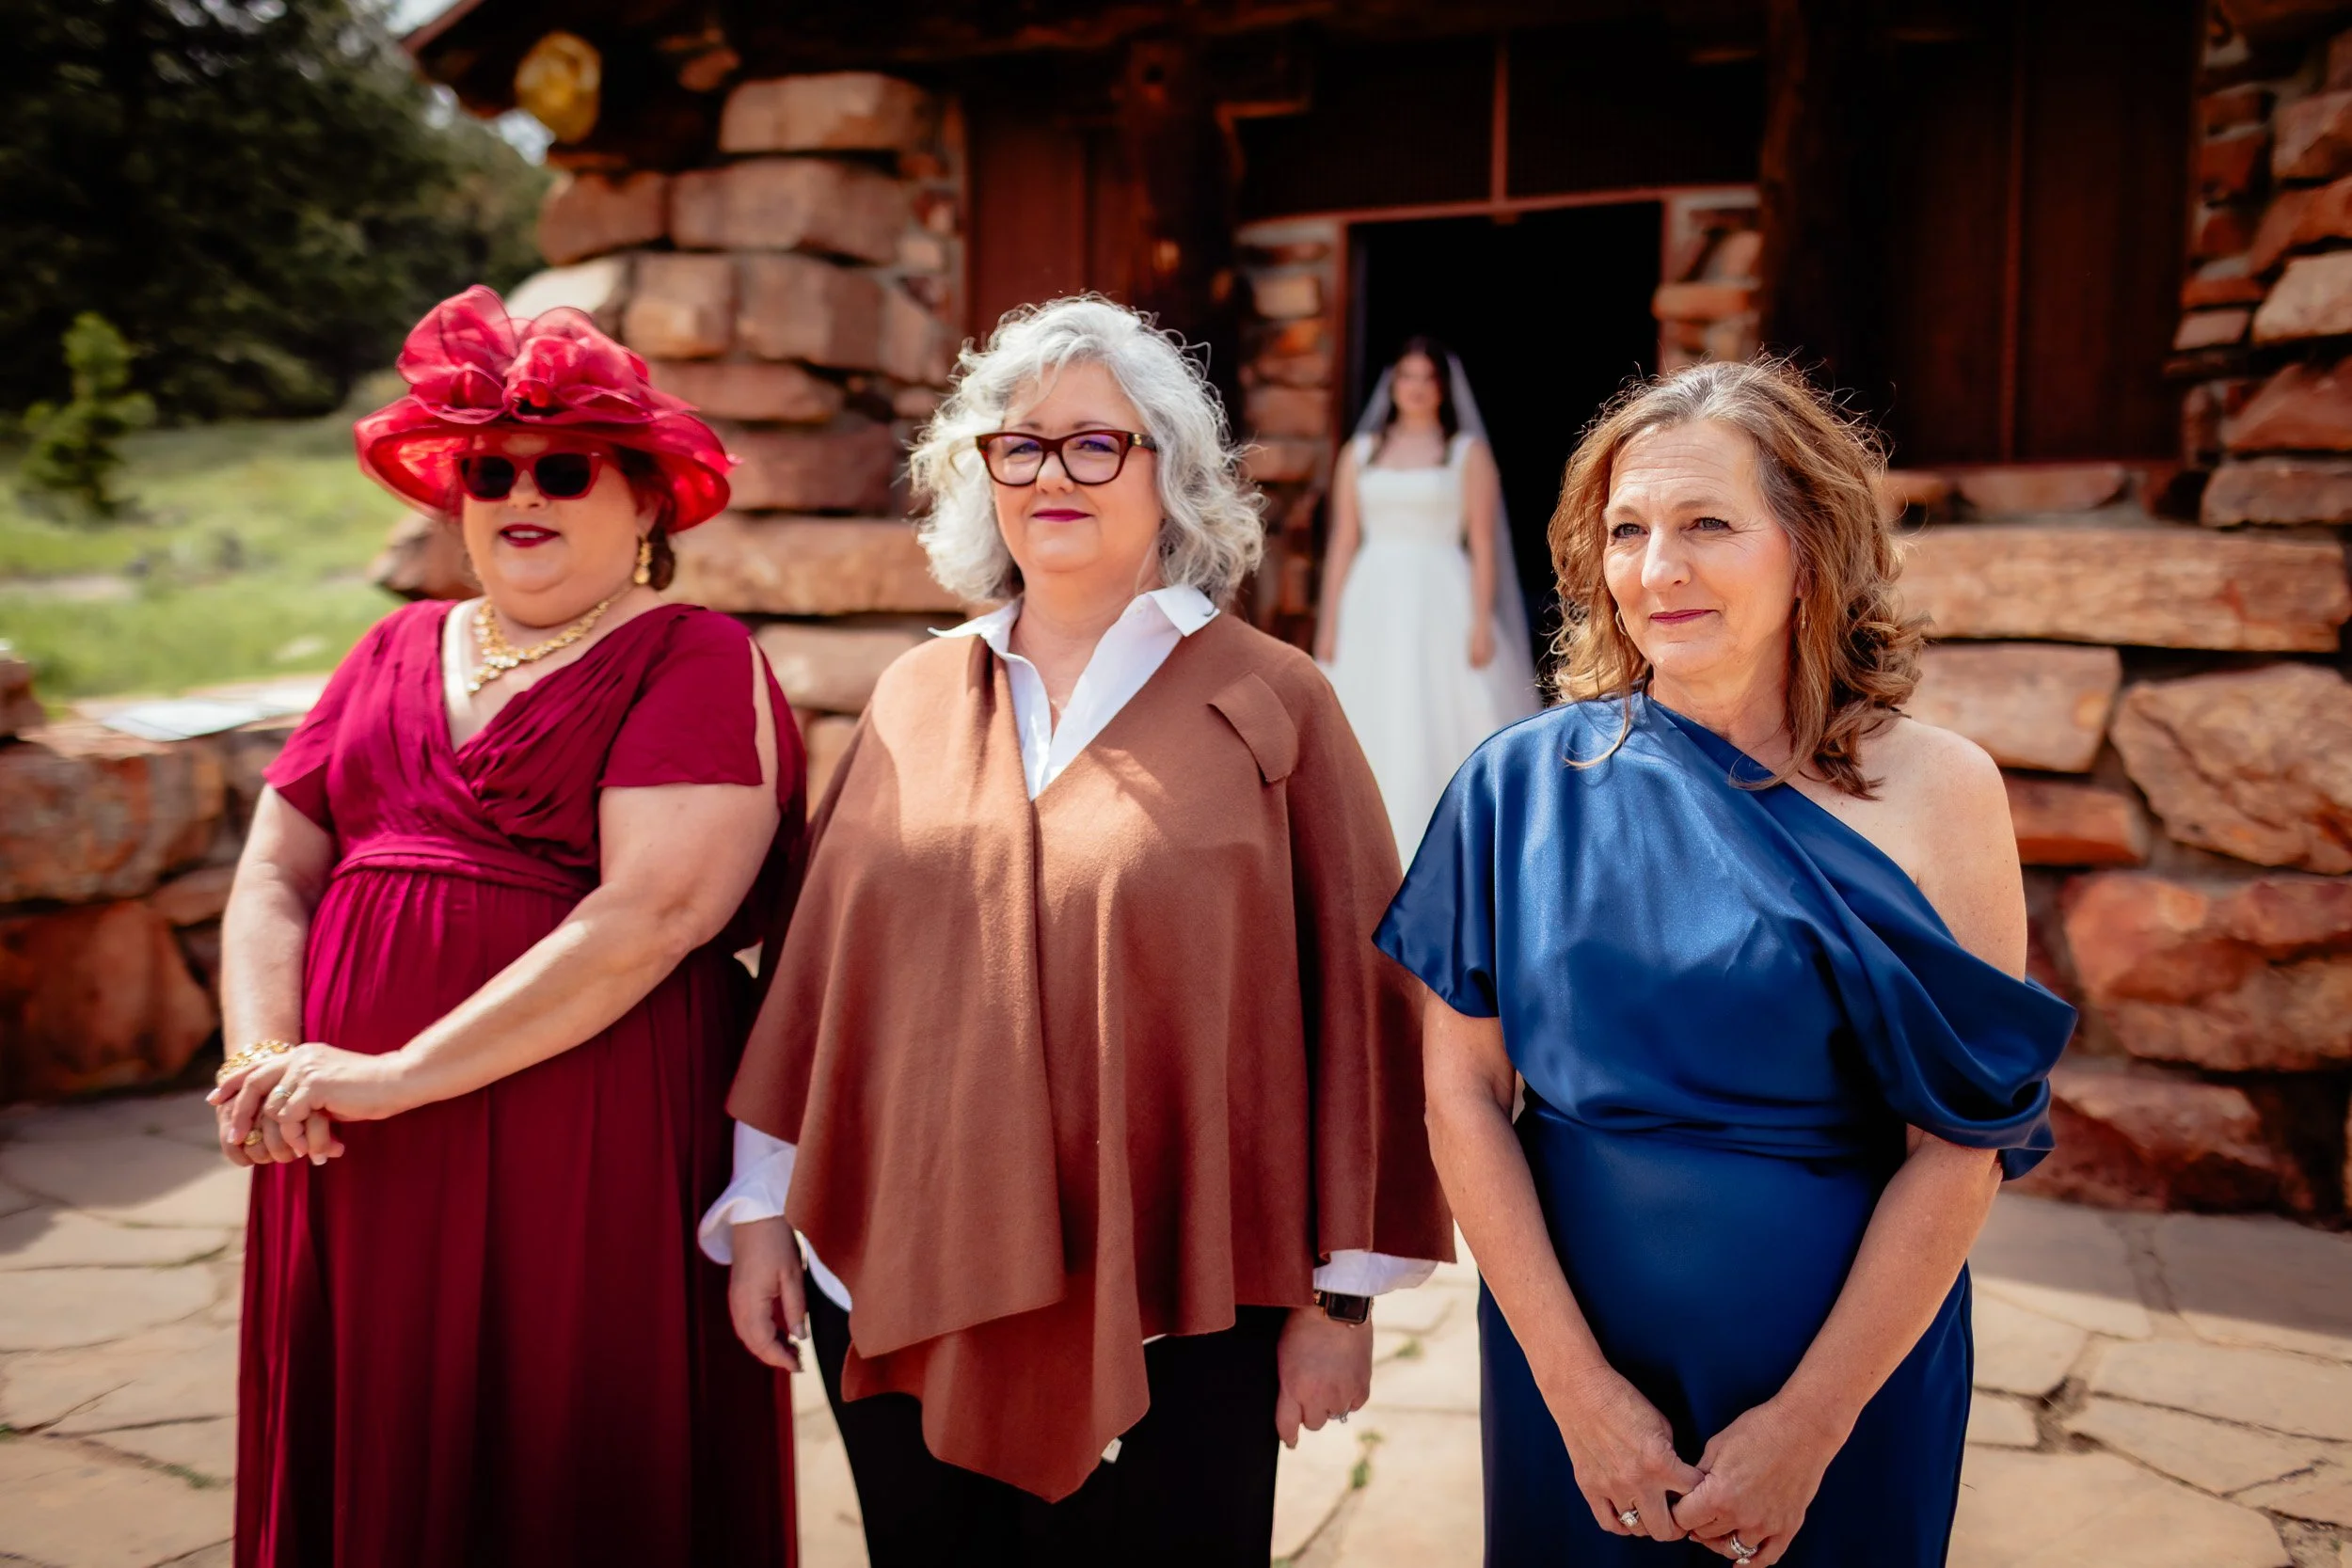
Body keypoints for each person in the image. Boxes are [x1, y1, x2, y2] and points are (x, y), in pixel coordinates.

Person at [705, 295, 1454, 1567]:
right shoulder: (911, 696)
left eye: (1097, 442)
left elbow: (1366, 1004)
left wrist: (1343, 1301)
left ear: (1171, 472)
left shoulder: (1276, 700)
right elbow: (820, 983)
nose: (1055, 472)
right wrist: (765, 1211)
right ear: (979, 473)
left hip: (1194, 1282)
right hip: (901, 1265)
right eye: (1021, 444)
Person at [1380, 358, 2074, 1566]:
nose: (1660, 569)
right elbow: (1461, 1093)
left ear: (1810, 539)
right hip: (1573, 1367)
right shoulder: (1514, 786)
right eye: (1628, 530)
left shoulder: (1940, 790)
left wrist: (1810, 1423)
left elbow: (1962, 1143)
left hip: (1846, 1375)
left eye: (1708, 524)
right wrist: (1575, 1388)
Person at [208, 285, 804, 1568]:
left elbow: (657, 913)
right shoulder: (385, 648)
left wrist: (398, 1072)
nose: (520, 490)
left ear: (646, 498)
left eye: (564, 466)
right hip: (349, 1145)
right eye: (489, 467)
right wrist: (266, 1064)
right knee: (371, 1427)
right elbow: (273, 872)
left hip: (579, 1131)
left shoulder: (692, 657)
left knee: (556, 1449)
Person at [1315, 337, 1541, 859]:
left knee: (1439, 709)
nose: (1416, 390)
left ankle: (1452, 835)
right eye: (1406, 378)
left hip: (1443, 595)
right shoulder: (1361, 453)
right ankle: (1366, 838)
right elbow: (1344, 540)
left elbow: (1482, 541)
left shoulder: (1467, 454)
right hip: (1372, 595)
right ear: (1392, 386)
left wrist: (1482, 620)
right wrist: (1329, 623)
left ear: (1442, 389)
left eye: (1427, 379)